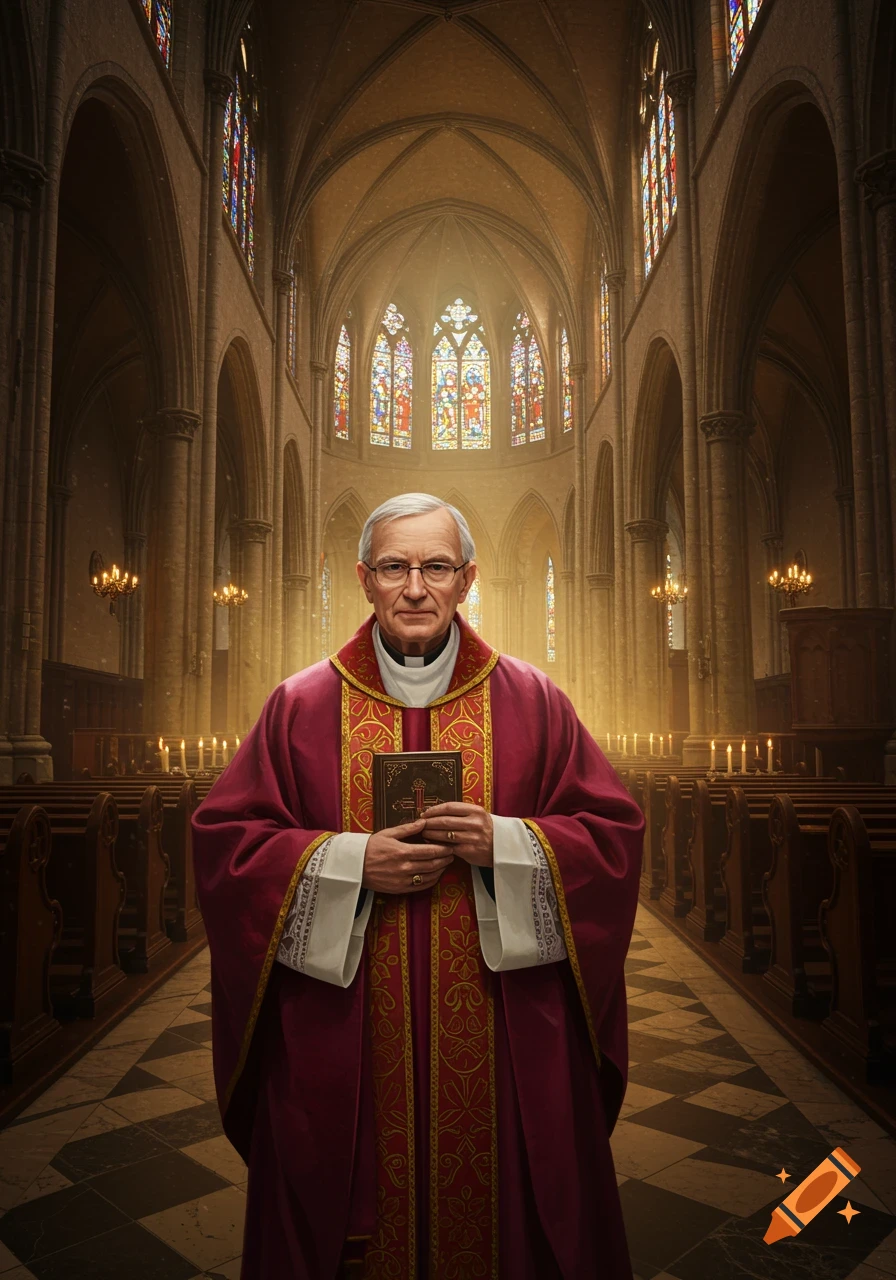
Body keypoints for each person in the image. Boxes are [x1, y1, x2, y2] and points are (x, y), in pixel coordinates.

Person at [191, 492, 643, 1279]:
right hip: (343, 1029)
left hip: (505, 1031)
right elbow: (228, 848)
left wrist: (509, 843)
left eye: (435, 567)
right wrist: (346, 863)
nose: (414, 587)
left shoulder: (534, 700)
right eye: (394, 567)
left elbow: (611, 838)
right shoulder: (299, 705)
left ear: (467, 579)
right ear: (363, 578)